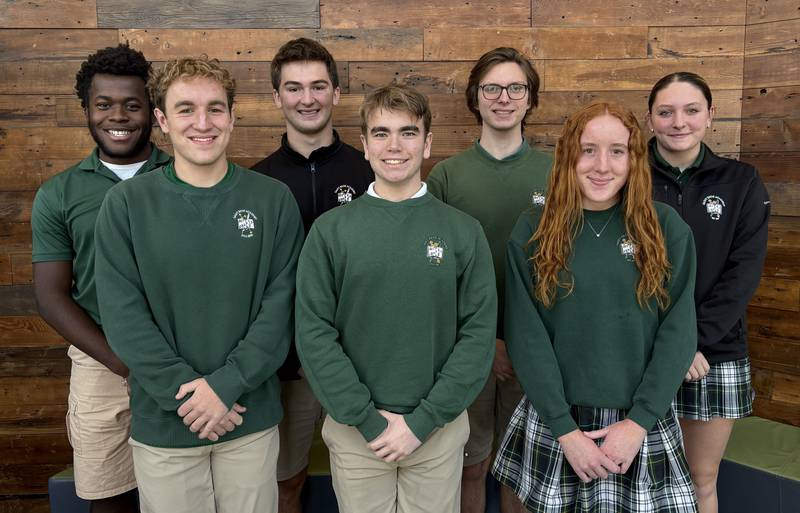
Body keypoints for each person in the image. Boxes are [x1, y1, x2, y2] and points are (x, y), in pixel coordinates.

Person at [93, 56, 304, 513]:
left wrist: (228, 385)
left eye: (215, 109)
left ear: (232, 117)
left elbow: (282, 305)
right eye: (186, 109)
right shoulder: (126, 205)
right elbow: (123, 316)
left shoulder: (272, 200)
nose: (202, 123)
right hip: (166, 423)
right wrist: (189, 395)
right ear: (163, 120)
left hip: (249, 419)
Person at [295, 84, 496, 513]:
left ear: (427, 144)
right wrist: (366, 419)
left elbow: (477, 337)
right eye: (381, 133)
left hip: (437, 429)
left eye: (408, 132)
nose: (394, 146)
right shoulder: (331, 232)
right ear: (365, 145)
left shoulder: (463, 231)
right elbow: (313, 334)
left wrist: (422, 421)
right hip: (356, 430)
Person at [493, 102, 698, 513]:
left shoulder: (665, 228)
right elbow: (525, 336)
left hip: (639, 420)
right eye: (588, 150)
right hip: (559, 420)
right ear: (569, 155)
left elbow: (678, 331)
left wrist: (639, 422)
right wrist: (565, 431)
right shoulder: (534, 229)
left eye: (617, 151)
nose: (602, 165)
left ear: (634, 158)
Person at [31, 43, 170, 513]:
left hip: (182, 357)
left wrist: (161, 366)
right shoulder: (61, 193)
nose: (119, 116)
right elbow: (52, 297)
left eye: (132, 105)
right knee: (109, 497)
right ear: (86, 110)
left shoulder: (184, 176)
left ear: (152, 111)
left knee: (180, 491)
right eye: (103, 104)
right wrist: (125, 364)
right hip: (101, 362)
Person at [426, 46, 551, 513]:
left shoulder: (556, 174)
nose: (504, 97)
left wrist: (518, 341)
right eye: (492, 88)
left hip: (536, 350)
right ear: (475, 99)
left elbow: (562, 269)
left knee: (518, 467)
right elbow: (436, 276)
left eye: (515, 87)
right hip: (466, 349)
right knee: (471, 464)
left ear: (530, 99)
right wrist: (488, 341)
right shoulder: (445, 177)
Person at [252, 38, 373, 513]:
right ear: (276, 97)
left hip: (363, 367)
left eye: (319, 85)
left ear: (337, 93)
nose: (307, 98)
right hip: (289, 371)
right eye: (294, 87)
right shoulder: (258, 183)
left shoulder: (372, 172)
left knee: (366, 483)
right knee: (286, 483)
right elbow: (261, 285)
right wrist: (294, 353)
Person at [646, 72, 770, 513]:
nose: (679, 122)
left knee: (700, 479)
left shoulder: (741, 182)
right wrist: (670, 343)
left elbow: (743, 274)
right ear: (650, 120)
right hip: (641, 349)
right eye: (666, 112)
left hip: (713, 353)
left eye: (691, 110)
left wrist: (691, 342)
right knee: (637, 480)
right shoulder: (628, 177)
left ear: (710, 116)